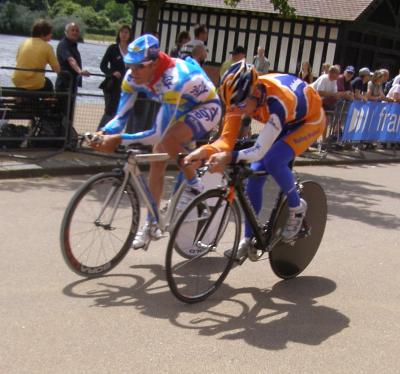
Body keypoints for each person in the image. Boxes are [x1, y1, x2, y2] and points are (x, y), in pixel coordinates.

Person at [90, 34, 222, 249]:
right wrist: (103, 132)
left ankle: (195, 187)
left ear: (155, 63)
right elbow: (121, 117)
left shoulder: (173, 79)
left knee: (166, 140)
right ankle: (151, 223)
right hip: (179, 109)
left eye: (140, 67)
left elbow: (157, 133)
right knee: (157, 160)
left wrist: (118, 140)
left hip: (206, 107)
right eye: (130, 66)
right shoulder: (133, 78)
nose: (133, 72)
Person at [185, 61, 326, 259]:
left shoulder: (277, 102)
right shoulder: (238, 99)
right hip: (283, 122)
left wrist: (230, 157)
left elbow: (258, 151)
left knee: (273, 160)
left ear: (256, 92)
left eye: (241, 104)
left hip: (309, 121)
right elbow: (226, 141)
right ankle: (248, 239)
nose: (238, 109)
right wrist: (205, 151)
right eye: (233, 105)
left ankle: (297, 207)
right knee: (254, 177)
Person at [98, 25, 133, 129]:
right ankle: (100, 133)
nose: (124, 34)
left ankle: (112, 136)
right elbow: (103, 65)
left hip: (126, 85)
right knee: (110, 110)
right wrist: (111, 73)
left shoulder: (132, 51)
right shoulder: (112, 48)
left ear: (130, 35)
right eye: (122, 32)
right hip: (113, 85)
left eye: (126, 32)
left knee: (121, 112)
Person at [55, 22, 90, 123]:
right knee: (63, 113)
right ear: (66, 32)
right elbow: (71, 60)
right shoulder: (63, 45)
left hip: (72, 85)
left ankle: (66, 135)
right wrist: (80, 71)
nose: (75, 32)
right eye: (72, 30)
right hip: (64, 85)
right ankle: (60, 136)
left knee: (69, 114)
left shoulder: (73, 45)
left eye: (77, 30)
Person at [12, 19, 60, 91]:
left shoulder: (24, 43)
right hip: (35, 84)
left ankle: (21, 99)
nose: (51, 34)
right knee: (49, 85)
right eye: (50, 32)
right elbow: (56, 69)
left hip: (17, 80)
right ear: (42, 34)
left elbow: (17, 60)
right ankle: (46, 102)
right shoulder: (48, 47)